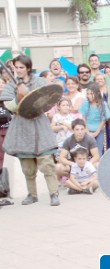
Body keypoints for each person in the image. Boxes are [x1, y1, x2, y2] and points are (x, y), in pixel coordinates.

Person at [0, 55, 60, 206]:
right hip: (22, 126)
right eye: (16, 67)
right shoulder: (10, 86)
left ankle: (54, 193)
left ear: (27, 68)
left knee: (47, 163)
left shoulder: (39, 82)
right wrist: (19, 96)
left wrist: (29, 95)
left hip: (39, 125)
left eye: (21, 67)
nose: (18, 70)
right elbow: (9, 107)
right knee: (27, 166)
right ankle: (32, 194)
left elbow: (47, 100)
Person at [80, 82, 110, 155]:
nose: (89, 96)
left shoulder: (103, 104)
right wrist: (87, 131)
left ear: (97, 93)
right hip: (87, 130)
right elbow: (83, 117)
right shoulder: (86, 103)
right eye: (88, 94)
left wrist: (96, 132)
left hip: (99, 130)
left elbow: (104, 119)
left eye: (91, 94)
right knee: (86, 150)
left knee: (99, 150)